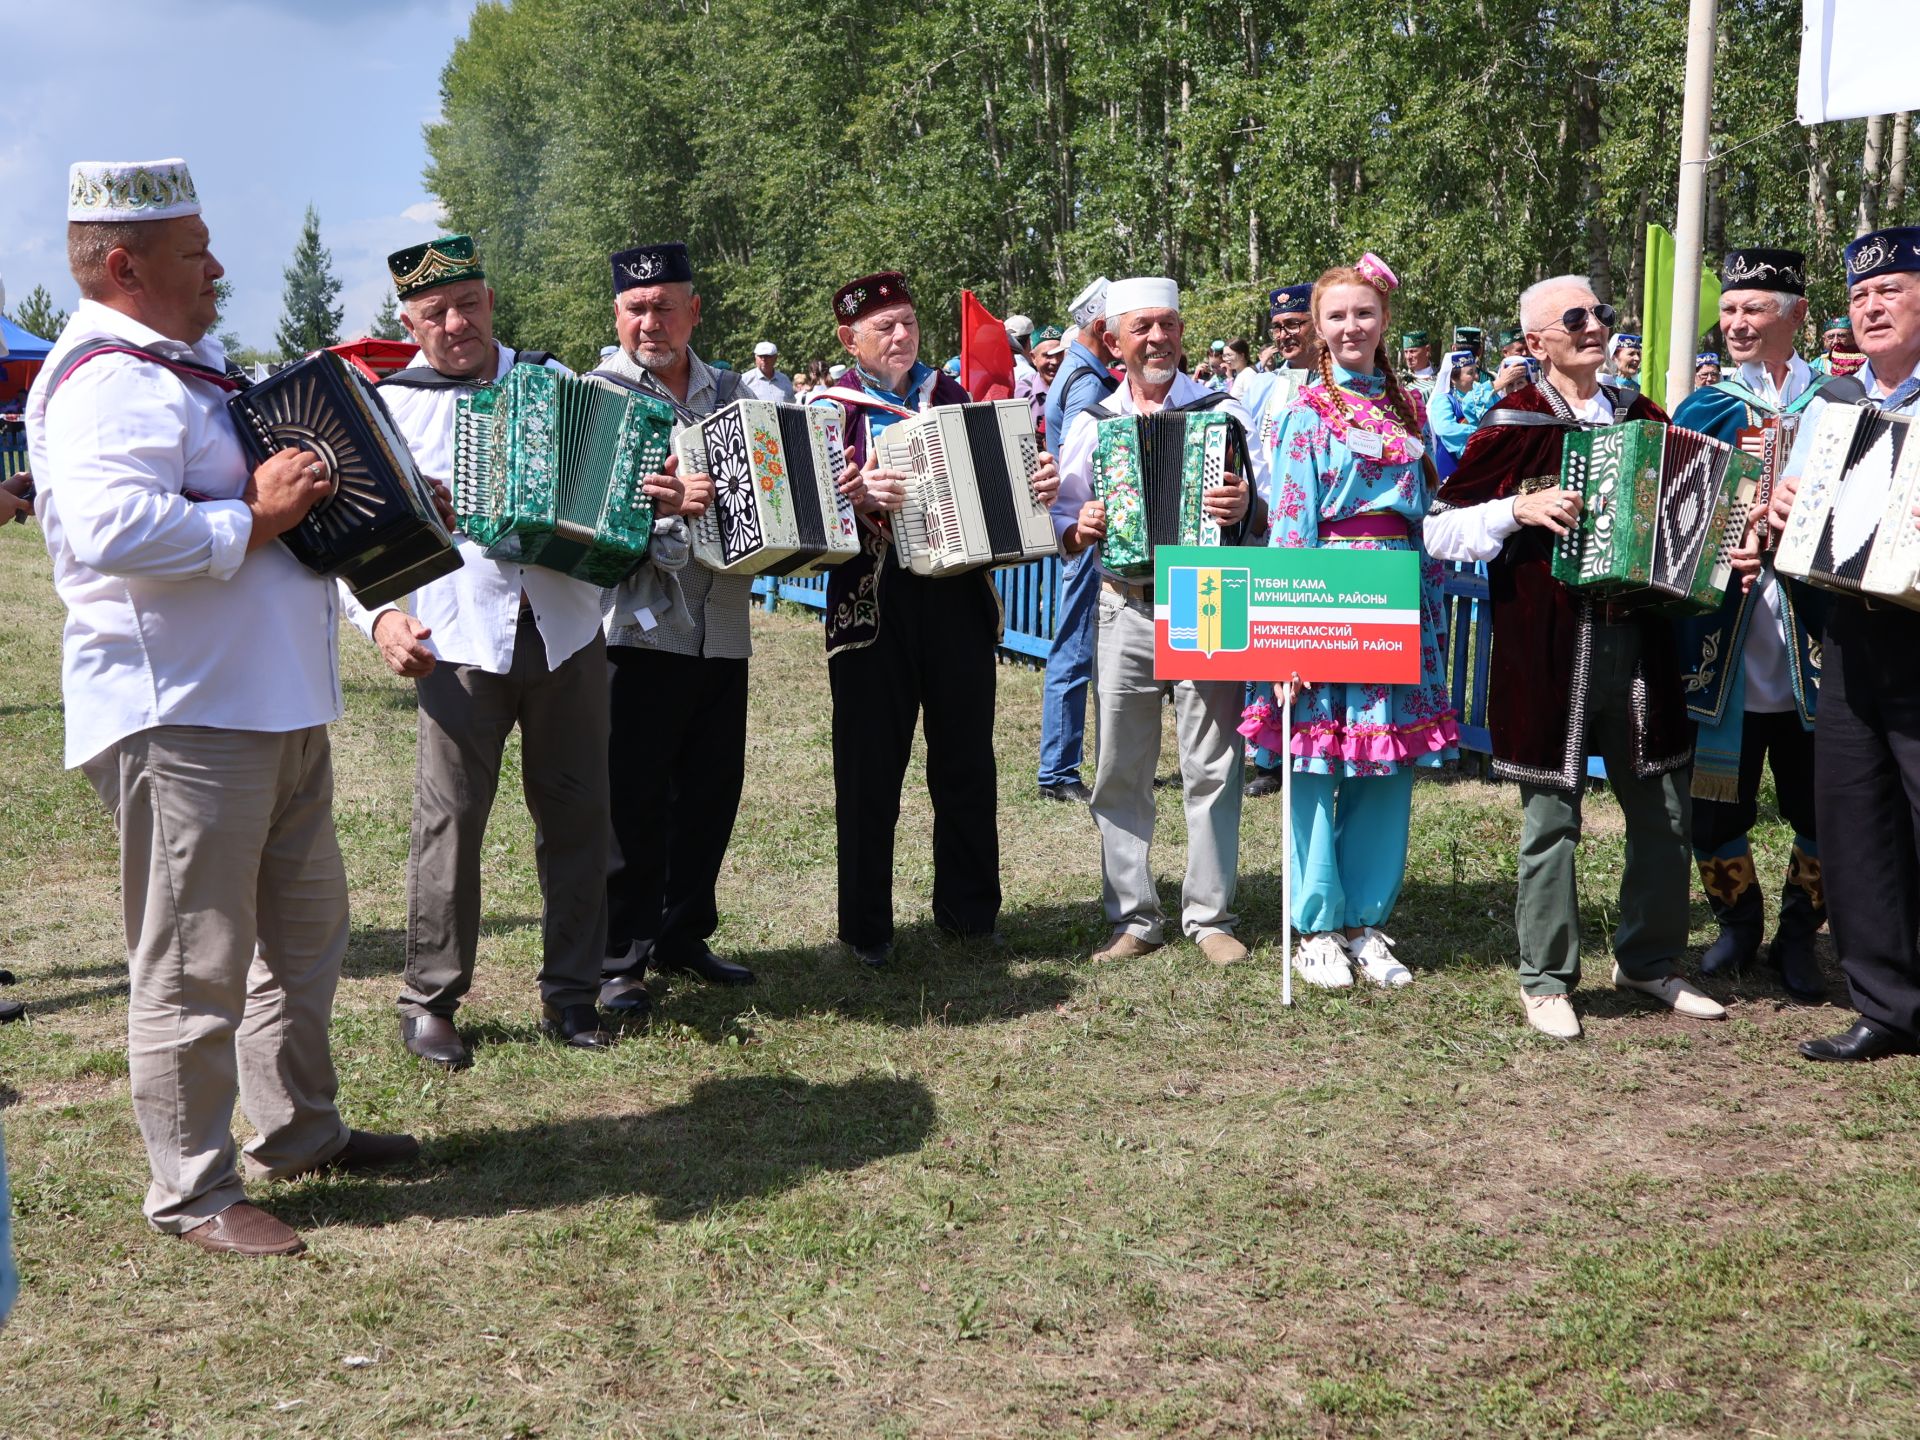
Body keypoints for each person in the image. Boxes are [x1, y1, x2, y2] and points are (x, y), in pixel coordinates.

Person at [27, 157, 416, 1255]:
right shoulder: (109, 379)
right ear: (124, 264)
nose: (219, 268)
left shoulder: (182, 367)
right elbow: (113, 534)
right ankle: (193, 1190)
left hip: (270, 705)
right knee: (195, 963)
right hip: (187, 713)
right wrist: (253, 513)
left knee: (302, 939)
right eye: (195, 252)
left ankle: (297, 1131)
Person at [347, 235, 627, 1065]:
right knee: (450, 826)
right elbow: (348, 549)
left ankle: (573, 995)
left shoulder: (559, 384)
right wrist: (381, 621)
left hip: (568, 632)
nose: (455, 322)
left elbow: (620, 490)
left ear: (491, 302)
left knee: (578, 818)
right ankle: (430, 999)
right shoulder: (391, 409)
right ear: (409, 321)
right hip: (456, 644)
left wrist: (646, 497)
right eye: (435, 312)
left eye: (468, 303)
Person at [1426, 274, 1725, 1040]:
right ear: (1535, 343)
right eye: (1575, 317)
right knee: (1552, 819)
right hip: (1549, 646)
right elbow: (1436, 530)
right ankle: (1547, 978)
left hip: (1642, 641)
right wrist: (1514, 508)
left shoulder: (1641, 416)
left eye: (1601, 313)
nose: (1595, 325)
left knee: (1661, 809)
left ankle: (1650, 961)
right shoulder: (1514, 424)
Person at [815, 271, 1059, 967]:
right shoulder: (827, 411)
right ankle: (864, 931)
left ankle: (970, 915)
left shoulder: (949, 395)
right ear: (849, 339)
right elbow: (804, 521)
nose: (900, 336)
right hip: (870, 605)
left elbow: (1013, 478)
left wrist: (1035, 478)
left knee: (965, 762)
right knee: (868, 770)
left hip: (957, 599)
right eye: (884, 327)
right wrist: (854, 495)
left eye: (908, 323)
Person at [1241, 256, 1458, 989]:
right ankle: (1316, 927)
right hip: (1331, 589)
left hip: (1399, 591)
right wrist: (1287, 635)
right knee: (1314, 759)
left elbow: (1430, 510)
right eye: (1336, 316)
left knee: (1383, 764)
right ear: (1316, 328)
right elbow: (1291, 521)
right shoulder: (1306, 410)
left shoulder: (1411, 408)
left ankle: (1366, 920)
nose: (1350, 327)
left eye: (1362, 313)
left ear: (1384, 320)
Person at [1051, 276, 1265, 966]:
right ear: (1113, 340)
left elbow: (1269, 512)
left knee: (1213, 762)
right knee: (1121, 766)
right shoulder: (1095, 423)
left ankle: (1211, 915)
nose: (1157, 339)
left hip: (1208, 593)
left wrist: (1245, 511)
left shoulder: (1225, 412)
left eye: (1167, 325)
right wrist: (1078, 526)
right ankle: (1134, 917)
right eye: (1141, 327)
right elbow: (1060, 515)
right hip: (1126, 603)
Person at [1672, 248, 1861, 1003]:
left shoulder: (1840, 401)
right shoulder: (1705, 408)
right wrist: (1727, 529)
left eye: (1754, 309)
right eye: (1728, 310)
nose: (1737, 323)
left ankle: (1796, 937)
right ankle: (1738, 923)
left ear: (1796, 317)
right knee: (1715, 805)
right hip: (1726, 645)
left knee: (1822, 805)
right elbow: (1672, 524)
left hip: (1815, 640)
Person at [1762, 227, 1920, 1062]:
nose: (1871, 307)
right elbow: (1805, 530)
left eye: (1889, 290)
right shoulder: (1837, 406)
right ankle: (1887, 1007)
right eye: (1859, 296)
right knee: (1857, 820)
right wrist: (1789, 510)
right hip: (1852, 634)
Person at [591, 242, 760, 1012]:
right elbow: (581, 518)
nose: (650, 321)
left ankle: (683, 933)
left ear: (694, 311)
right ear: (616, 316)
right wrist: (655, 505)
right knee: (632, 796)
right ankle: (619, 956)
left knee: (711, 787)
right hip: (634, 627)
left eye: (665, 306)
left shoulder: (736, 392)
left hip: (721, 622)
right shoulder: (596, 398)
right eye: (636, 307)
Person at [1036, 277, 1118, 806]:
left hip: (1075, 527)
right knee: (1076, 646)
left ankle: (1059, 764)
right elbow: (1085, 467)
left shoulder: (1073, 369)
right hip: (1087, 528)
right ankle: (1060, 768)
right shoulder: (1088, 382)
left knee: (1073, 641)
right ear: (1099, 326)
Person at [1241, 282, 1316, 800]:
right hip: (1265, 526)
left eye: (1295, 325)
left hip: (1311, 532)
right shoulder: (1265, 387)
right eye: (1279, 327)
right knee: (1267, 645)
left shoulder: (1336, 385)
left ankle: (1307, 744)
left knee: (1307, 643)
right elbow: (1252, 455)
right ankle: (1267, 754)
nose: (1285, 335)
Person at [1427, 347, 1496, 469]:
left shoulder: (1482, 397)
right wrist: (1478, 431)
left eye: (1476, 372)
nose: (1476, 377)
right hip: (1452, 467)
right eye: (1470, 373)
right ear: (1453, 378)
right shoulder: (1443, 400)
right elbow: (1445, 428)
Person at [1397, 329, 1435, 397]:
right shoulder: (1399, 381)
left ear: (1427, 350)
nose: (1408, 357)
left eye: (1413, 351)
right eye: (1406, 352)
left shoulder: (1441, 377)